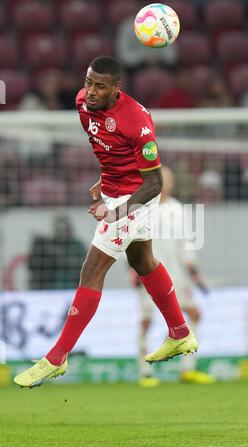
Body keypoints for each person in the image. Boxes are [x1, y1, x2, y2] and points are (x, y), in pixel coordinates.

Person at [14, 56, 198, 388]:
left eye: (100, 86)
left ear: (117, 88)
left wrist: (117, 211)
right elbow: (108, 152)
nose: (91, 91)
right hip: (116, 192)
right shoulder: (82, 103)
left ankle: (56, 358)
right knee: (143, 261)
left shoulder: (138, 124)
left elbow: (154, 183)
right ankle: (180, 333)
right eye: (88, 82)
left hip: (137, 196)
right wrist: (104, 183)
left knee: (92, 270)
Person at [132, 166, 215, 386]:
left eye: (168, 179)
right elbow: (129, 241)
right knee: (146, 320)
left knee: (194, 314)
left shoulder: (179, 209)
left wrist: (194, 273)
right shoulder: (139, 208)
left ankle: (187, 369)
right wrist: (131, 269)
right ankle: (144, 372)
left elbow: (186, 244)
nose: (165, 182)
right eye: (161, 178)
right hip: (148, 274)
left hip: (177, 275)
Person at [28, 215, 86, 290]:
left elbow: (84, 265)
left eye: (63, 228)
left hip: (73, 287)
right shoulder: (49, 244)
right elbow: (35, 266)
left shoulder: (78, 245)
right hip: (51, 289)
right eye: (58, 229)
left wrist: (59, 256)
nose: (61, 232)